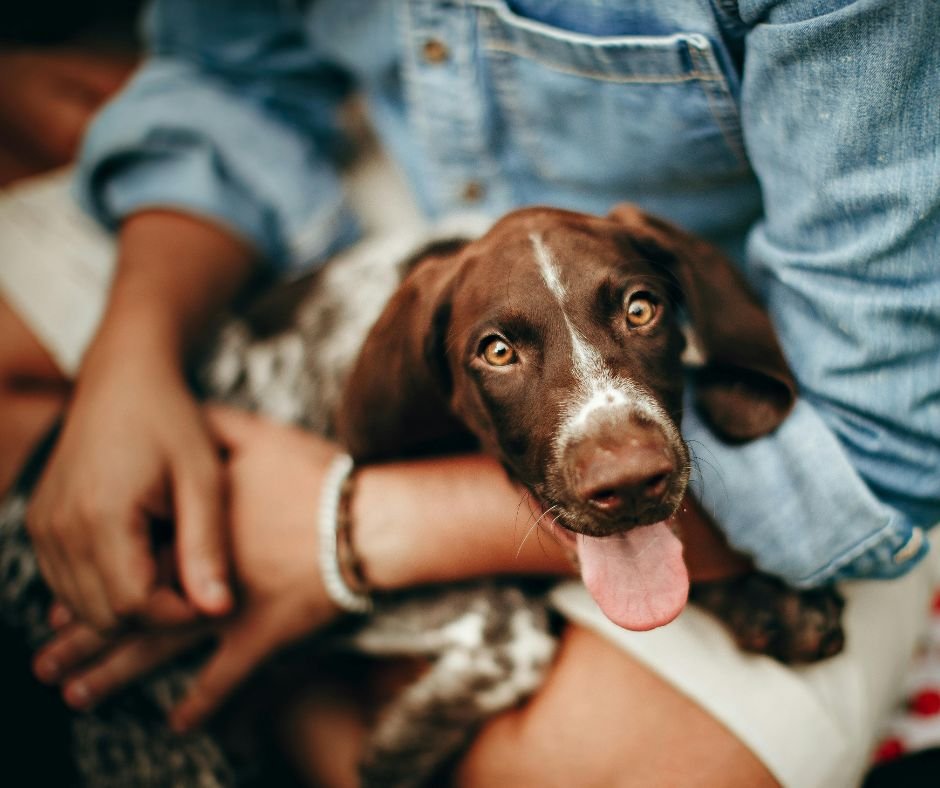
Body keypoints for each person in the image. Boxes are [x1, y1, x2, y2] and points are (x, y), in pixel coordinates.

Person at [2, 0, 938, 784]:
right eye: (498, 353)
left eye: (641, 311)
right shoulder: (408, 332)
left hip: (803, 320)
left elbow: (882, 452)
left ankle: (290, 691)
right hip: (369, 217)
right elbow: (230, 81)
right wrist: (131, 371)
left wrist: (340, 532)